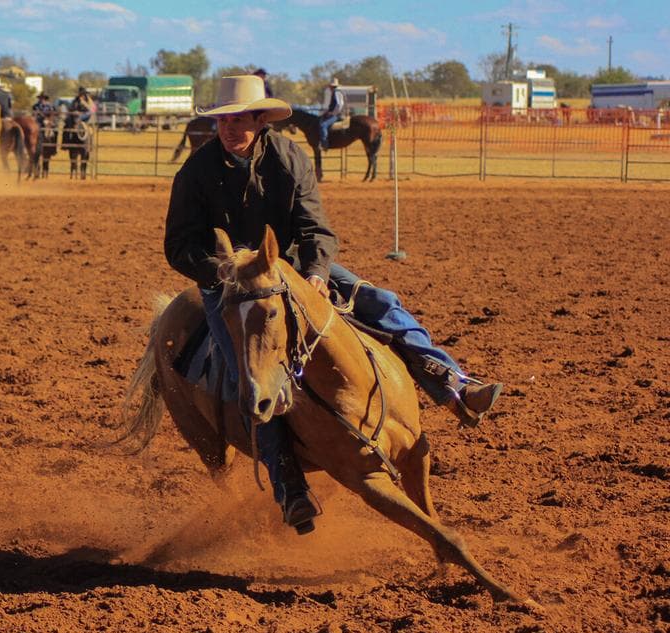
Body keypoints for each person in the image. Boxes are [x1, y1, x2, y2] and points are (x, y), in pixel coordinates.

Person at [164, 74, 502, 534]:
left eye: (239, 118)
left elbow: (316, 229)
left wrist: (317, 275)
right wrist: (220, 270)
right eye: (223, 119)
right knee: (251, 374)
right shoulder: (196, 172)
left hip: (297, 271)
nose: (229, 127)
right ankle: (290, 487)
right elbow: (178, 245)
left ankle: (454, 384)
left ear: (260, 120)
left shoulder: (289, 158)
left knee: (383, 302)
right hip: (232, 285)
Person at [318, 77, 346, 149]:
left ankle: (325, 144)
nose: (330, 88)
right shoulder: (337, 92)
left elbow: (339, 104)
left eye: (330, 86)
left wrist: (332, 113)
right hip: (337, 113)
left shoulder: (337, 92)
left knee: (323, 125)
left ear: (332, 86)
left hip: (338, 115)